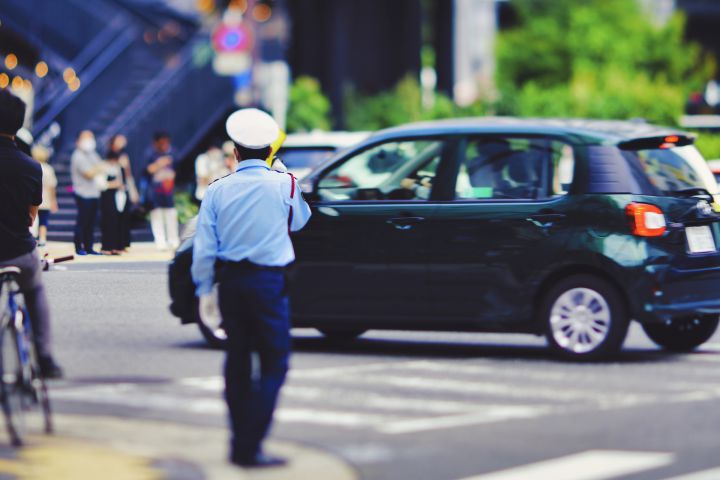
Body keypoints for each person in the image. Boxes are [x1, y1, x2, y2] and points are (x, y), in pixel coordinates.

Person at [191, 108, 311, 468]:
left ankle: (239, 440)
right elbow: (301, 221)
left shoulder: (217, 190)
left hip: (232, 283)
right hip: (269, 283)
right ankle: (250, 443)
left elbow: (204, 249)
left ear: (236, 153)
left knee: (238, 361)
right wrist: (283, 174)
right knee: (275, 361)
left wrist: (203, 292)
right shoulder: (284, 184)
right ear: (268, 150)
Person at [0, 90, 63, 378]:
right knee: (35, 293)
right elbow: (30, 217)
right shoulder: (31, 167)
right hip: (19, 251)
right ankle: (45, 357)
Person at [70, 130, 105, 255]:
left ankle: (89, 247)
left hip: (94, 193)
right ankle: (78, 247)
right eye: (86, 138)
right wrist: (98, 168)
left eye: (91, 138)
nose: (89, 141)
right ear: (78, 141)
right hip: (82, 193)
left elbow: (102, 166)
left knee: (91, 223)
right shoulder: (77, 155)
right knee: (82, 222)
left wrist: (98, 168)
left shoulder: (92, 154)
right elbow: (89, 173)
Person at [144, 131, 179, 250]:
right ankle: (160, 241)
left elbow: (176, 169)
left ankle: (173, 240)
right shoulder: (150, 154)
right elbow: (147, 170)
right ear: (156, 142)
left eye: (166, 142)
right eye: (162, 142)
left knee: (171, 215)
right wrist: (160, 163)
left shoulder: (172, 152)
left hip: (168, 189)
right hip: (155, 190)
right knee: (157, 216)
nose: (164, 145)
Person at [107, 134, 138, 251]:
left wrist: (132, 189)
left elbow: (128, 173)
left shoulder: (124, 155)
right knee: (114, 217)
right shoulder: (108, 155)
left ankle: (123, 243)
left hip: (123, 189)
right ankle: (114, 244)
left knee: (124, 217)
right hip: (112, 190)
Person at [98, 152, 126, 255]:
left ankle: (116, 246)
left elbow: (122, 181)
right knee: (107, 222)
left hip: (116, 197)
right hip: (107, 197)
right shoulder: (103, 167)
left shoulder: (118, 168)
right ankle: (106, 246)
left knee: (116, 222)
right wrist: (114, 184)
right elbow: (101, 184)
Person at [32, 145, 58, 247]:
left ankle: (33, 237)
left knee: (33, 219)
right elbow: (52, 186)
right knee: (43, 220)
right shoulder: (49, 169)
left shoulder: (32, 167)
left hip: (33, 198)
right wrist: (53, 201)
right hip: (45, 199)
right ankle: (42, 239)